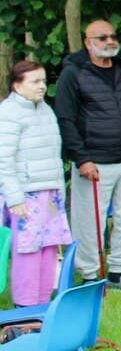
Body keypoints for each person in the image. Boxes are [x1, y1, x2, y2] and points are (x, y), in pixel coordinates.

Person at [54, 19, 121, 289]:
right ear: (88, 42)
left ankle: (117, 274)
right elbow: (65, 119)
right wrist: (81, 158)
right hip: (94, 160)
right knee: (88, 221)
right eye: (102, 37)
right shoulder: (73, 73)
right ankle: (89, 276)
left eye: (112, 36)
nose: (110, 41)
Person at [0, 61, 72, 306]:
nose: (42, 86)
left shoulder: (44, 109)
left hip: (49, 192)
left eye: (43, 81)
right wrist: (15, 198)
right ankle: (25, 306)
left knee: (49, 248)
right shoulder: (8, 113)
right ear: (17, 85)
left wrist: (59, 190)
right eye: (35, 82)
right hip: (25, 194)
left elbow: (54, 155)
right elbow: (3, 159)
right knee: (27, 252)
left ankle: (43, 305)